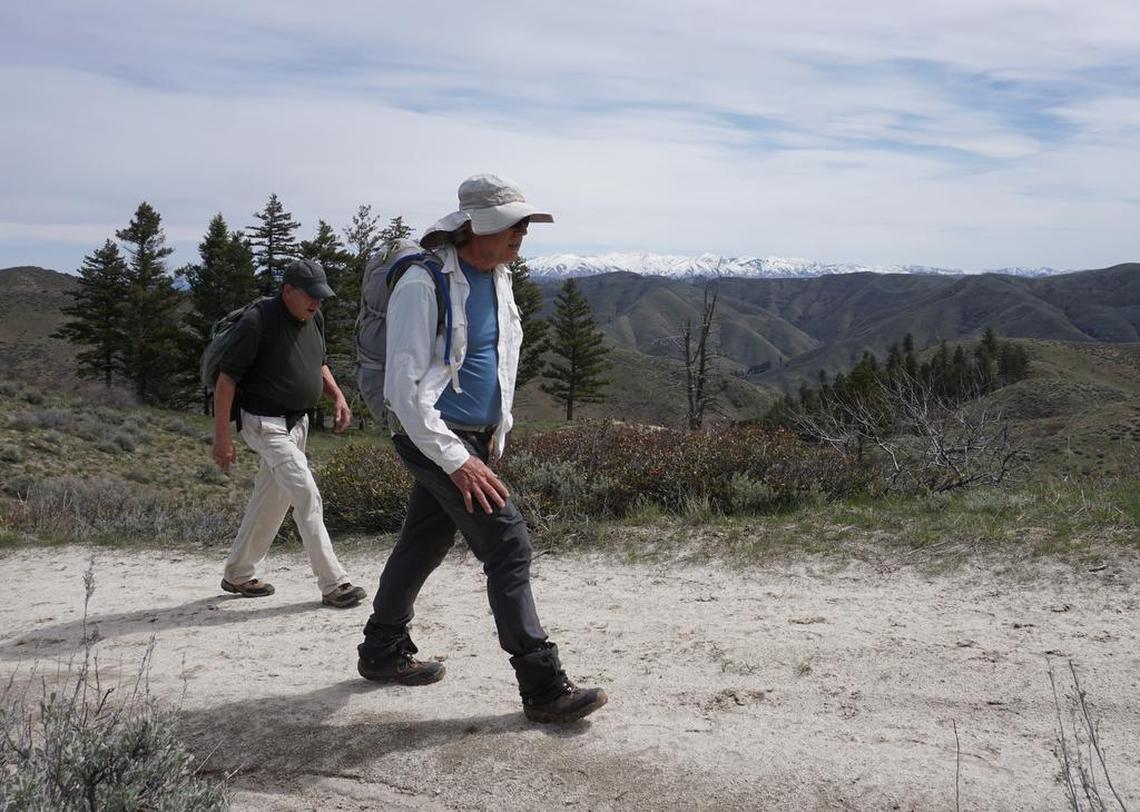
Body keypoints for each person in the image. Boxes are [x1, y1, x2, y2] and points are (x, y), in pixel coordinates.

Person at [357, 174, 607, 723]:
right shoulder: (424, 285)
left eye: (524, 224)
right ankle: (543, 688)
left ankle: (381, 651)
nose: (522, 232)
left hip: (472, 440)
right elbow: (403, 389)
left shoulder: (498, 276)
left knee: (423, 542)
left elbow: (496, 357)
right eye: (512, 224)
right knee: (508, 545)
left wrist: (494, 433)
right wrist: (458, 458)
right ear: (475, 226)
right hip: (432, 436)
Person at [212, 259, 368, 609]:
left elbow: (319, 363)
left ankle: (237, 573)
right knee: (306, 492)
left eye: (321, 297)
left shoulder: (315, 318)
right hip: (264, 424)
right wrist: (221, 437)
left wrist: (338, 396)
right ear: (287, 291)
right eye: (310, 296)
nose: (317, 303)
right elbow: (226, 380)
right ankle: (333, 583)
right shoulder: (258, 321)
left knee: (272, 498)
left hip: (297, 424)